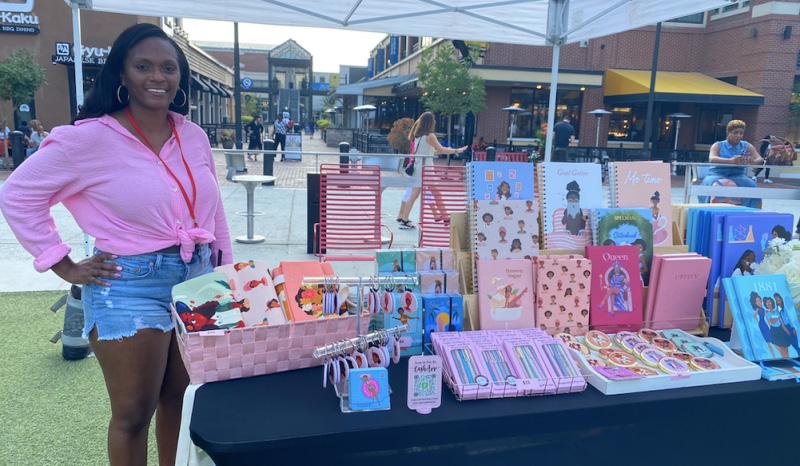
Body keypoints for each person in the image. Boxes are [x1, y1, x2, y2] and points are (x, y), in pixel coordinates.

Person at [0, 24, 232, 465]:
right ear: (122, 74)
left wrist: (225, 274)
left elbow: (213, 210)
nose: (157, 77)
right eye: (143, 66)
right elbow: (17, 195)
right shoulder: (88, 139)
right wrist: (63, 264)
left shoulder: (194, 136)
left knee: (182, 400)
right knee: (132, 414)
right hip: (129, 285)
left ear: (180, 77)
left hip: (198, 280)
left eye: (168, 68)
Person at [396, 112, 466, 230]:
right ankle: (445, 217)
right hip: (426, 169)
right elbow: (441, 150)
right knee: (436, 193)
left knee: (414, 195)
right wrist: (456, 150)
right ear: (431, 123)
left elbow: (432, 151)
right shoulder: (430, 136)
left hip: (418, 168)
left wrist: (448, 150)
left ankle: (405, 218)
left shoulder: (418, 136)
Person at [701, 120, 763, 208]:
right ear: (728, 132)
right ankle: (707, 209)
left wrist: (752, 161)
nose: (739, 135)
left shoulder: (746, 146)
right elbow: (712, 159)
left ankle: (751, 212)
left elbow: (760, 159)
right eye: (735, 133)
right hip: (717, 174)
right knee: (712, 185)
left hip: (738, 175)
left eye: (741, 133)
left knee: (753, 187)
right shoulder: (718, 145)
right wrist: (731, 161)